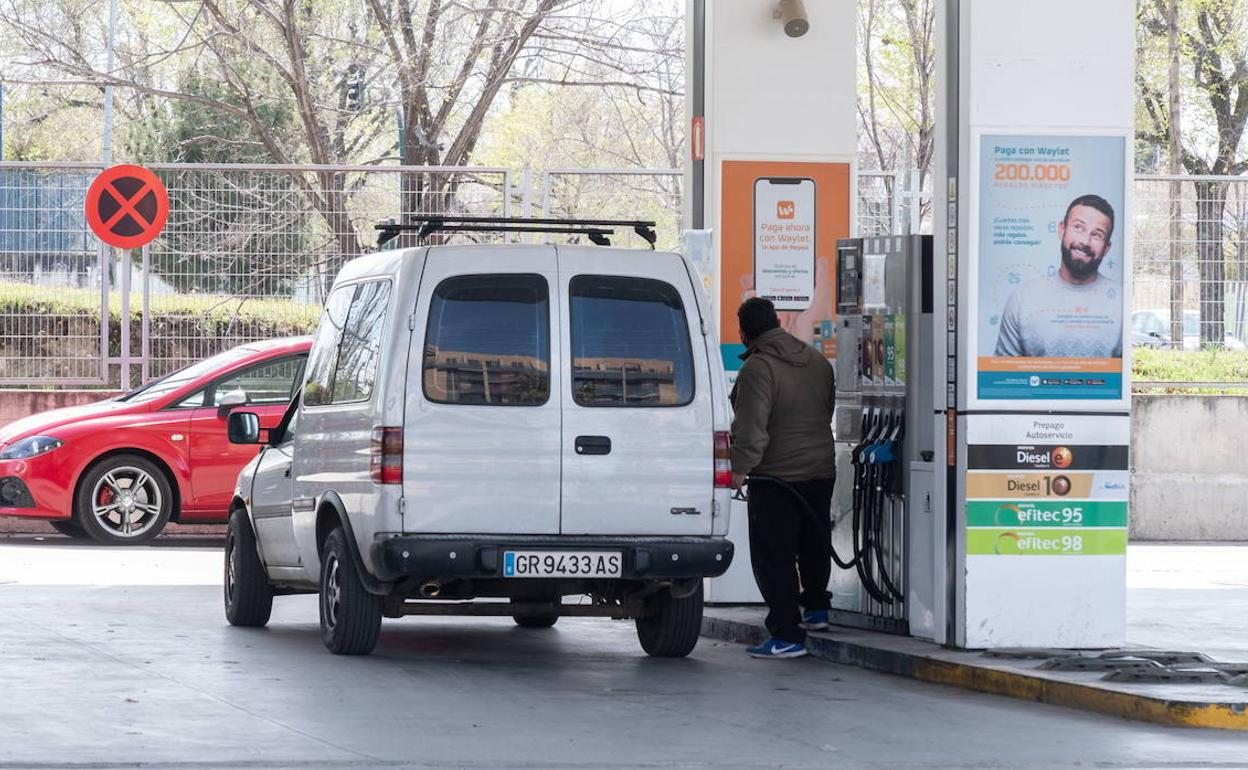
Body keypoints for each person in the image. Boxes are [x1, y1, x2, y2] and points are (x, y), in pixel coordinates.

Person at [729, 298, 836, 660]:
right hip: (821, 469)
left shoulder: (759, 368)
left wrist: (739, 470)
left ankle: (787, 633)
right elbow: (826, 411)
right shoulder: (817, 361)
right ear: (777, 322)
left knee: (774, 554)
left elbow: (751, 429)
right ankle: (817, 610)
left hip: (776, 475)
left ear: (744, 333)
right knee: (814, 542)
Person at [995, 194, 1123, 358]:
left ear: (1106, 248)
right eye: (1078, 227)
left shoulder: (1121, 301)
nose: (1085, 241)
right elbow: (1004, 376)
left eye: (1097, 234)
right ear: (1062, 230)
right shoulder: (1022, 299)